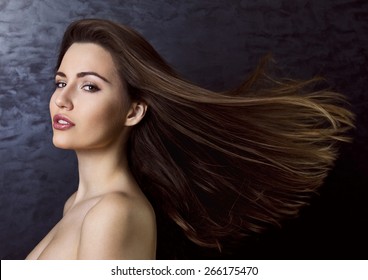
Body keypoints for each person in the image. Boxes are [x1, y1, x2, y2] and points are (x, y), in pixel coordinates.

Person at [26, 18, 354, 260]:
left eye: (89, 86)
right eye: (60, 82)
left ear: (133, 111)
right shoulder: (78, 204)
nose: (62, 100)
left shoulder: (114, 213)